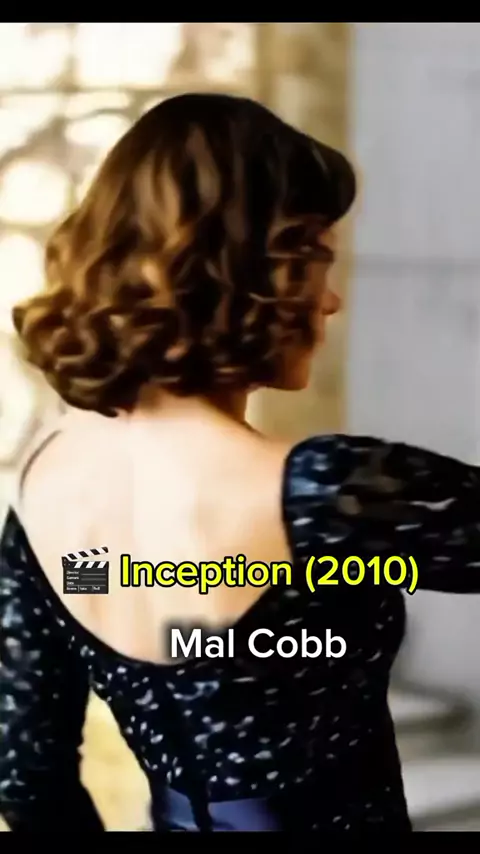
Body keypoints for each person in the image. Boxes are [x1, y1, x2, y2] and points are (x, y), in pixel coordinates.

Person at [0, 93, 479, 834]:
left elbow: (26, 778)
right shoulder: (321, 492)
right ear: (244, 271)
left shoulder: (44, 490)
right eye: (315, 259)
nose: (330, 300)